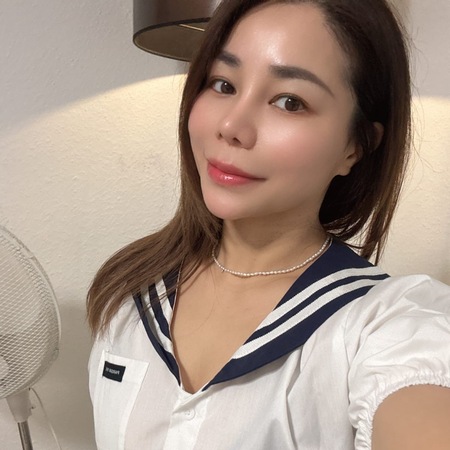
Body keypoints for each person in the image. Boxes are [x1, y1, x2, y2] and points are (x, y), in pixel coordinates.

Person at [87, 0, 450, 448]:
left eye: (289, 102)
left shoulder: (384, 325)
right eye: (223, 84)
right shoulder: (132, 293)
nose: (232, 126)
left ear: (355, 146)